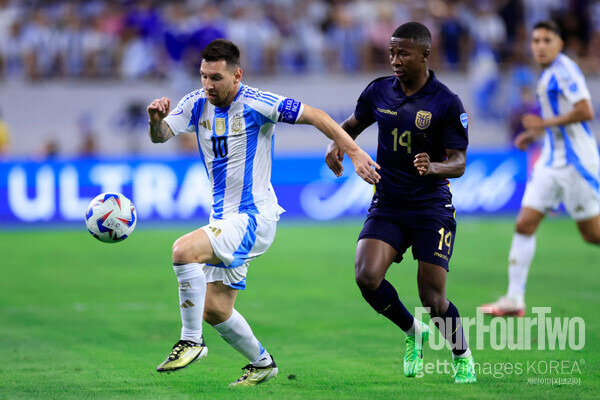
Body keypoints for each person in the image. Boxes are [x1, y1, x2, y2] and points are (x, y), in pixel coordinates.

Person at [146, 38, 380, 387]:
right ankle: (262, 363)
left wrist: (356, 152)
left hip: (254, 218)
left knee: (183, 250)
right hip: (222, 219)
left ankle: (191, 340)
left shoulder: (258, 103)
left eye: (216, 78)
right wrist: (155, 120)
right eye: (203, 76)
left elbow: (316, 116)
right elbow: (161, 136)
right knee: (214, 310)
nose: (208, 85)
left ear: (236, 75)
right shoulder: (196, 104)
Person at [325, 22, 476, 384]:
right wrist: (336, 145)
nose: (394, 59)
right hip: (389, 203)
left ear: (425, 55)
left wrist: (434, 166)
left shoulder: (446, 102)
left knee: (433, 300)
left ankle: (462, 354)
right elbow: (350, 126)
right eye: (391, 52)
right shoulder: (378, 92)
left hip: (431, 207)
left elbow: (459, 161)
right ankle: (413, 332)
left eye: (403, 53)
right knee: (366, 276)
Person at [480, 21, 600, 317]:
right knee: (524, 224)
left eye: (547, 40)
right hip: (551, 160)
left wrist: (543, 125)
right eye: (535, 40)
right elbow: (559, 117)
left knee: (592, 235)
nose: (540, 45)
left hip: (576, 164)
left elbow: (586, 111)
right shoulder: (546, 75)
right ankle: (514, 299)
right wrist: (535, 134)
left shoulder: (565, 70)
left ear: (559, 43)